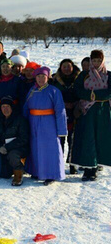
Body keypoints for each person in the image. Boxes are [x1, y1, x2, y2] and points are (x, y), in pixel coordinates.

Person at [23, 67, 67, 185]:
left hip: (49, 123)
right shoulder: (32, 90)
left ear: (48, 77)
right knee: (35, 147)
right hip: (33, 122)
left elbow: (60, 110)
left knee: (49, 149)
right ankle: (36, 171)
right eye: (38, 76)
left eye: (43, 76)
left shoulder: (54, 91)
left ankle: (51, 174)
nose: (41, 79)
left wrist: (61, 129)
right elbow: (26, 107)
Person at [72, 50, 111, 181]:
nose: (96, 63)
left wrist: (96, 96)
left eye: (98, 61)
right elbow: (77, 90)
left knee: (99, 139)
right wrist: (89, 96)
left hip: (102, 112)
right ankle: (87, 168)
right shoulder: (84, 75)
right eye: (94, 61)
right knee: (87, 139)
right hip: (86, 112)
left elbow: (109, 92)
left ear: (103, 61)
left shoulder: (108, 75)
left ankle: (95, 168)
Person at [51, 59, 80, 174]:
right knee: (60, 140)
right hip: (60, 113)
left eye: (69, 66)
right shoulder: (55, 80)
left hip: (75, 112)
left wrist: (75, 103)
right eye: (64, 66)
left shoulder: (79, 79)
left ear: (73, 67)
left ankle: (72, 164)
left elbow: (81, 93)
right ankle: (59, 163)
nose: (67, 69)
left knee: (72, 139)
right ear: (60, 67)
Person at [0, 97, 30, 186]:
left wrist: (7, 147)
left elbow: (24, 138)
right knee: (5, 174)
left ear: (12, 107)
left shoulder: (20, 119)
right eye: (3, 107)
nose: (5, 109)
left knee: (13, 155)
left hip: (19, 148)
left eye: (7, 106)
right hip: (3, 148)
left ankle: (18, 174)